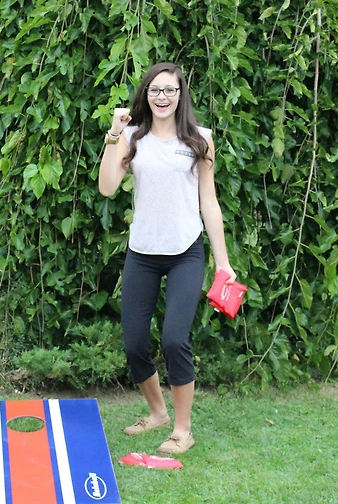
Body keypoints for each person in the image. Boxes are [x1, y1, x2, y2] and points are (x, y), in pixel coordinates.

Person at [98, 62, 237, 455]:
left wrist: (222, 262)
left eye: (169, 91)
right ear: (146, 94)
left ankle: (182, 429)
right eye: (155, 90)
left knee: (176, 339)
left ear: (180, 95)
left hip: (185, 252)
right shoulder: (130, 136)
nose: (162, 97)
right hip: (142, 252)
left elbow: (208, 203)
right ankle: (156, 412)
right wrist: (112, 134)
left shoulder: (200, 140)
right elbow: (108, 187)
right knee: (134, 344)